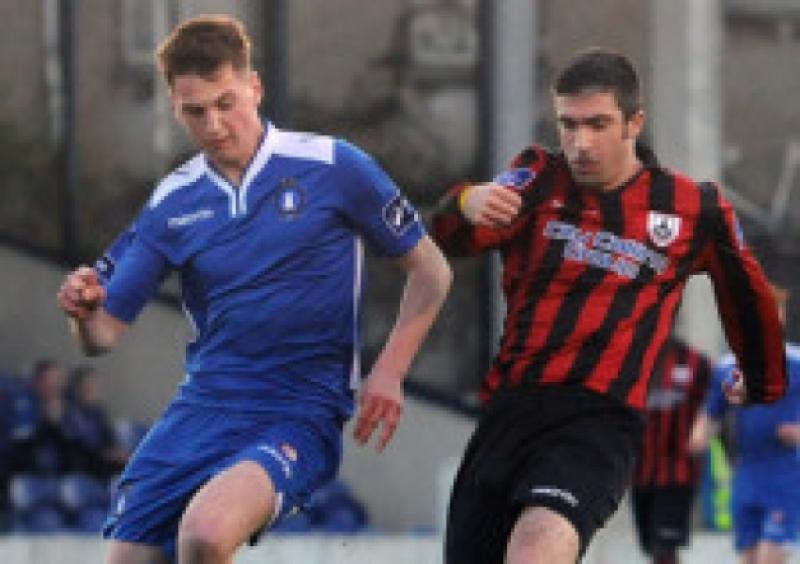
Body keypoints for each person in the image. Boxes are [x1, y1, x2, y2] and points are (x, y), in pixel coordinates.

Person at [57, 14, 451, 564]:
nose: (215, 124)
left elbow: (432, 271)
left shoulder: (333, 167)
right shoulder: (172, 202)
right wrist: (83, 310)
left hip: (299, 409)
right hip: (203, 407)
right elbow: (101, 337)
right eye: (195, 112)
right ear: (175, 107)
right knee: (126, 559)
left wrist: (389, 371)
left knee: (205, 534)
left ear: (254, 87)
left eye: (226, 103)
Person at [432, 48, 787, 564]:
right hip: (510, 410)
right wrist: (465, 202)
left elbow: (747, 295)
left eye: (597, 124)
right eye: (568, 125)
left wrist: (762, 376)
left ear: (633, 123)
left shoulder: (693, 207)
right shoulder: (536, 177)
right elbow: (450, 238)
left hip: (599, 419)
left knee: (535, 549)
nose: (580, 144)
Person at [689, 284, 800, 564]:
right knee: (749, 560)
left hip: (785, 476)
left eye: (774, 313)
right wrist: (697, 438)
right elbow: (710, 414)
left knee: (768, 559)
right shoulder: (728, 367)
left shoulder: (796, 362)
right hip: (745, 477)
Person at [631, 337, 712, 564]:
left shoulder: (697, 363)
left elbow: (714, 408)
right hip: (640, 473)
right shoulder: (633, 360)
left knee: (665, 547)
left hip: (678, 473)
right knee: (651, 547)